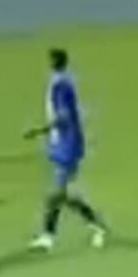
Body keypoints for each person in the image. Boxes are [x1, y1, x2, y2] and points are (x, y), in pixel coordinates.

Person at [26, 49, 108, 251]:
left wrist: (39, 130)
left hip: (67, 145)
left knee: (56, 194)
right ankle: (96, 226)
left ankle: (49, 236)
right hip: (65, 143)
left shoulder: (60, 86)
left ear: (52, 62)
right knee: (66, 195)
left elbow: (63, 116)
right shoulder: (63, 83)